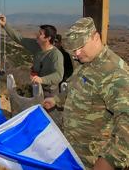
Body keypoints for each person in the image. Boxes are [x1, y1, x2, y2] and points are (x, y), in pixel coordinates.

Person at [43, 17, 129, 170]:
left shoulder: (115, 73)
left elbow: (126, 122)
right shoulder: (87, 62)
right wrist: (56, 100)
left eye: (81, 47)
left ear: (96, 37)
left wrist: (109, 162)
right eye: (74, 49)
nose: (76, 53)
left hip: (94, 160)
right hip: (75, 154)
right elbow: (76, 88)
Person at [0, 14, 64, 126]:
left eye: (40, 34)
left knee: (50, 122)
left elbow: (59, 75)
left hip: (50, 92)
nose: (37, 35)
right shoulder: (37, 46)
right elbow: (20, 39)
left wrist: (41, 79)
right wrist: (5, 25)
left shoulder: (56, 55)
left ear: (48, 38)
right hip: (36, 89)